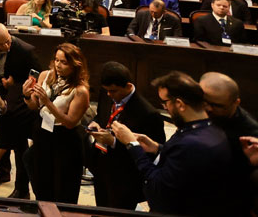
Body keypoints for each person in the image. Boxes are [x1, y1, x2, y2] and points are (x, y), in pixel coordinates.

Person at [110, 71, 233, 216]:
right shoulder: (211, 128)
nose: (164, 108)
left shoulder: (190, 144)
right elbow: (185, 164)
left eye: (165, 102)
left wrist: (132, 145)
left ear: (180, 104)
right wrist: (157, 148)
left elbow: (158, 189)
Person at [84, 62, 166, 209]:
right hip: (101, 167)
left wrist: (114, 141)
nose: (109, 94)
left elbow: (152, 154)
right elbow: (101, 116)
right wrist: (95, 123)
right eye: (107, 91)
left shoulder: (148, 114)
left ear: (128, 86)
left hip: (125, 178)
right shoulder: (107, 93)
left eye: (113, 91)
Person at [0, 23, 40, 197]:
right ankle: (3, 172)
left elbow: (37, 75)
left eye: (7, 41)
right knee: (1, 131)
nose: (6, 46)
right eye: (0, 44)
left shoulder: (25, 50)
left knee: (18, 141)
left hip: (17, 97)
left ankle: (22, 189)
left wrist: (16, 82)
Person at [22, 43, 90, 203]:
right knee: (41, 180)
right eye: (56, 60)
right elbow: (35, 106)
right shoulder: (45, 76)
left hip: (65, 140)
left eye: (64, 62)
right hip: (43, 132)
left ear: (75, 65)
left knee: (63, 188)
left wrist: (48, 102)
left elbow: (70, 123)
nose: (58, 65)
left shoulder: (80, 91)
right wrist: (26, 96)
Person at [200, 72, 258, 216]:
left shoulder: (250, 134)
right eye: (205, 102)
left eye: (217, 105)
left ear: (236, 103)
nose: (209, 109)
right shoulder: (201, 111)